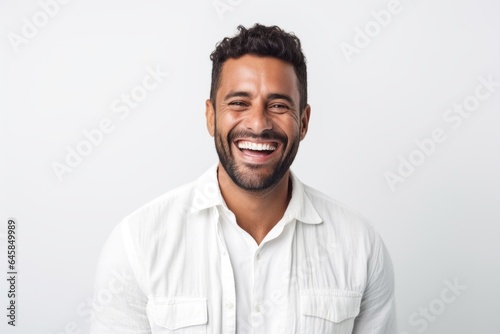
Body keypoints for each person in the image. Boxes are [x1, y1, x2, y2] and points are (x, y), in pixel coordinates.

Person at [90, 23, 397, 333]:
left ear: (303, 122)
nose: (258, 123)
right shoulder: (138, 243)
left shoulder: (360, 246)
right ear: (211, 116)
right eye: (239, 103)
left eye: (278, 105)